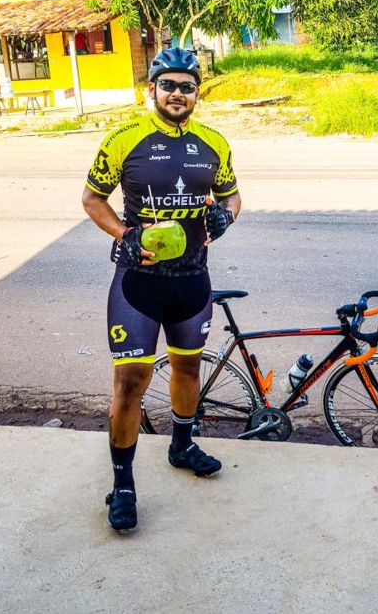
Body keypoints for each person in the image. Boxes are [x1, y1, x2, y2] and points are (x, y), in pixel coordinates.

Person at [82, 46, 241, 533]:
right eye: (167, 85)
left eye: (186, 87)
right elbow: (92, 200)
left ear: (197, 94)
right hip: (139, 285)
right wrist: (124, 235)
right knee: (131, 382)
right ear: (151, 89)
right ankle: (123, 485)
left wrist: (225, 216)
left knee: (188, 369)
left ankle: (182, 445)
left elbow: (233, 197)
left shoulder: (214, 143)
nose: (177, 93)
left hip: (192, 281)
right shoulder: (124, 139)